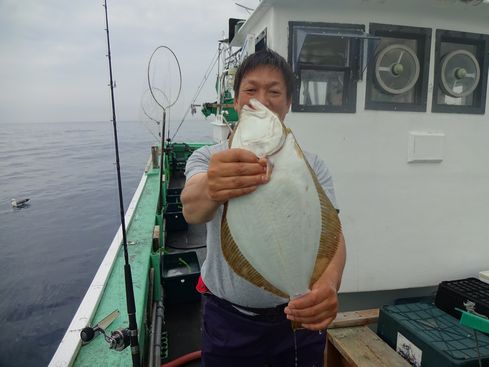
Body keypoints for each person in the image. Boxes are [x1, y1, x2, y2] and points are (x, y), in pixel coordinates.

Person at [181, 49, 346, 367]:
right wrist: (213, 187)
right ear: (235, 101)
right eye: (251, 90)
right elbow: (192, 209)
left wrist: (326, 286)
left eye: (274, 92)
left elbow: (333, 234)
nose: (262, 100)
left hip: (299, 319)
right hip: (230, 324)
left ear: (287, 104)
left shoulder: (311, 165)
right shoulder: (209, 159)